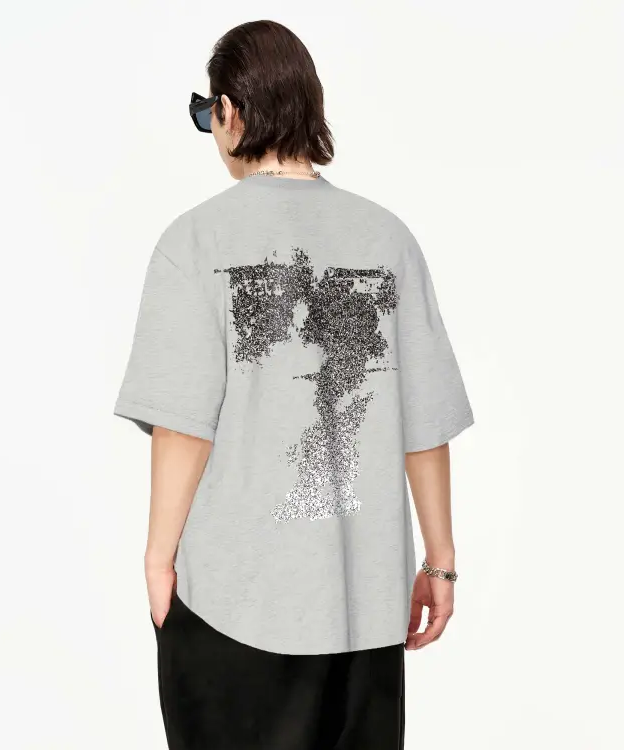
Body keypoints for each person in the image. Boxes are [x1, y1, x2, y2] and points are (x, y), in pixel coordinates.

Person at [114, 19, 474, 750]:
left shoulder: (195, 241)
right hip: (362, 611)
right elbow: (424, 421)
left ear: (230, 111)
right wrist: (439, 562)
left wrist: (157, 559)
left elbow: (184, 425)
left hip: (230, 605)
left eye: (206, 112)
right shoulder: (387, 239)